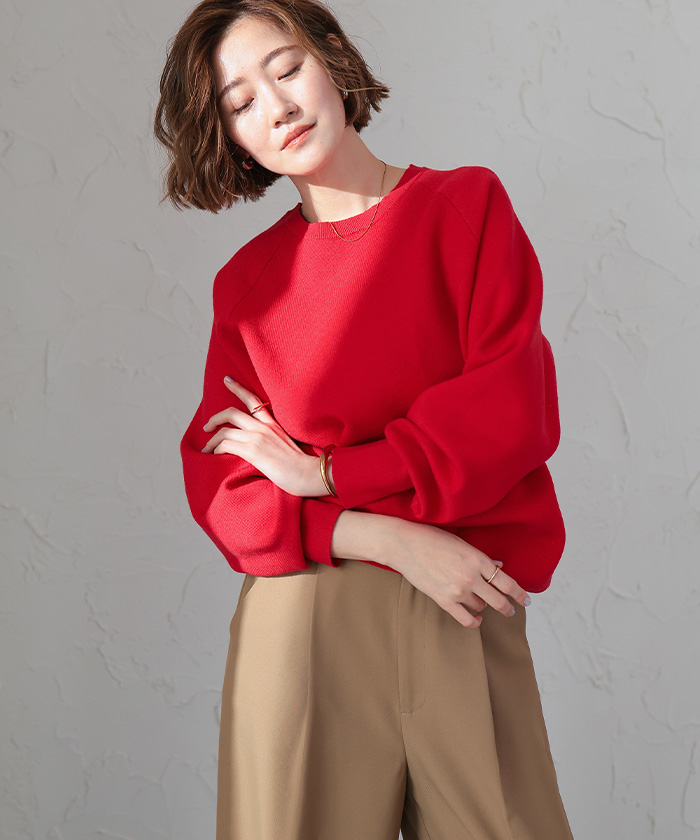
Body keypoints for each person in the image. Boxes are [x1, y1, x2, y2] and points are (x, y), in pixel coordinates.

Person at [154, 1, 575, 838]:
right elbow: (223, 485)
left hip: (462, 606)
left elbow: (508, 411)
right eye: (241, 103)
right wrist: (384, 536)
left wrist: (328, 474)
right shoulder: (249, 287)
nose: (277, 106)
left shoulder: (464, 208)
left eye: (286, 69)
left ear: (332, 60)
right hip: (309, 618)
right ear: (231, 138)